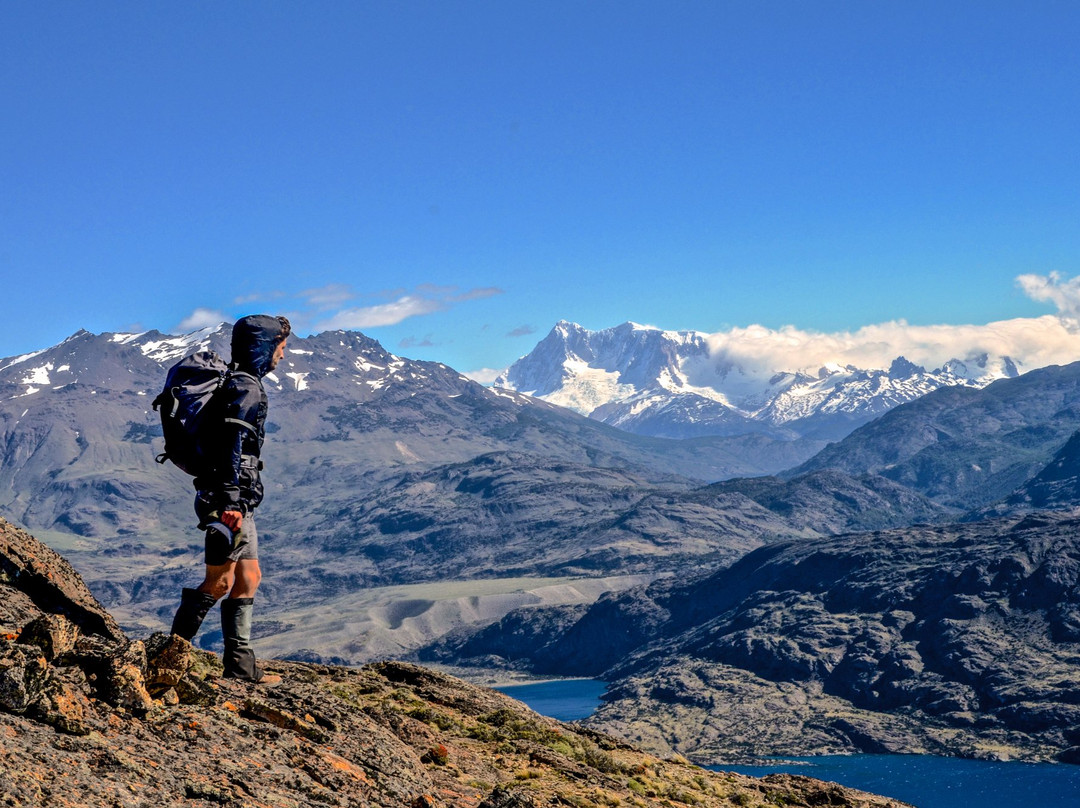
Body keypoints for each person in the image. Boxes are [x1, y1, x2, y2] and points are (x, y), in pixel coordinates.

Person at [169, 314, 291, 684]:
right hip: (227, 501)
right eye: (281, 348)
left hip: (235, 500)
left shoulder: (242, 383)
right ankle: (167, 656)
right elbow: (231, 443)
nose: (283, 357)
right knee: (220, 582)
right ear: (264, 347)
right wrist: (231, 503)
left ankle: (240, 667)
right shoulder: (245, 388)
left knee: (249, 576)